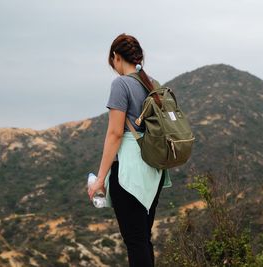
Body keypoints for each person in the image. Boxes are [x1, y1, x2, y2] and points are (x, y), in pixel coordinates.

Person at [87, 33, 172, 267]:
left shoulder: (121, 84)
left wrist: (100, 178)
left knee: (135, 241)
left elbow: (115, 134)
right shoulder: (151, 83)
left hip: (130, 172)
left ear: (116, 57)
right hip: (154, 171)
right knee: (143, 239)